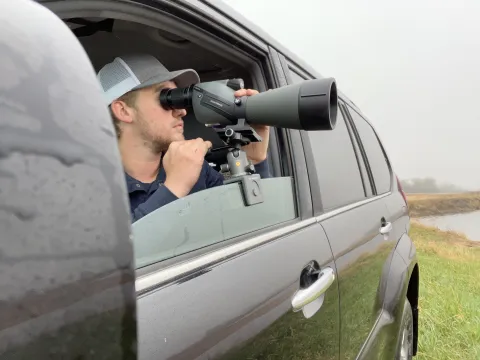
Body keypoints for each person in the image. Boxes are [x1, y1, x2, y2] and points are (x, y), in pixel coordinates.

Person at [97, 54, 271, 222]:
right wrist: (174, 187)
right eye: (166, 98)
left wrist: (254, 161)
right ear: (123, 111)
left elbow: (247, 221)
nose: (182, 111)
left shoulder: (195, 167)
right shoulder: (90, 186)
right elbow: (112, 249)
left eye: (177, 98)